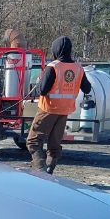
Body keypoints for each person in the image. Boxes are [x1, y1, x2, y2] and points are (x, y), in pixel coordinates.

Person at [27, 36, 91, 174]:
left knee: (33, 141)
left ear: (55, 50)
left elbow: (43, 90)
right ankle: (50, 168)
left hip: (48, 109)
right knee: (54, 144)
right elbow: (87, 88)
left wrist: (39, 83)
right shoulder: (78, 68)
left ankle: (40, 169)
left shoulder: (53, 67)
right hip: (64, 111)